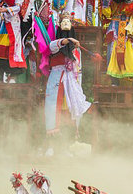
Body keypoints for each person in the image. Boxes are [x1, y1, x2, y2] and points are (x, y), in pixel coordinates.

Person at [44, 11, 91, 156]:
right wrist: (67, 40)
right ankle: (51, 146)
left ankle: (66, 147)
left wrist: (78, 88)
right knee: (53, 111)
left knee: (70, 113)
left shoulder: (77, 52)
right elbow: (53, 46)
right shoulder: (54, 45)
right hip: (56, 81)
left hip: (72, 83)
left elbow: (79, 71)